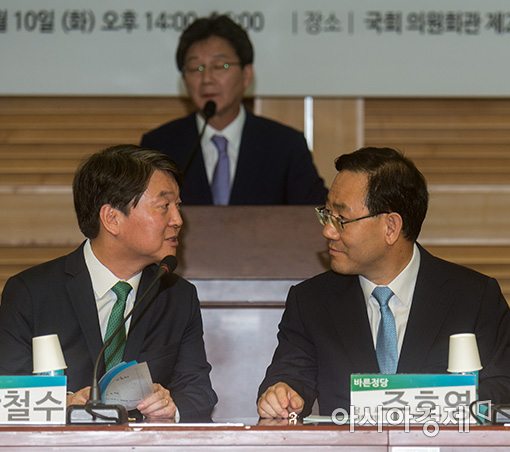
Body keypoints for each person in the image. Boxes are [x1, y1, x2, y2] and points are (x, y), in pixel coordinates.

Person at [257, 146, 510, 418]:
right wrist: (281, 393)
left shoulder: (474, 298)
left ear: (390, 227)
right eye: (326, 214)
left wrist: (420, 404)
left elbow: (503, 388)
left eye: (341, 219)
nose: (328, 231)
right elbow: (290, 377)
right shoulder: (311, 301)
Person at [0, 144, 217, 420]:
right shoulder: (31, 293)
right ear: (112, 218)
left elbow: (198, 393)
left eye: (178, 206)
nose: (178, 220)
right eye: (164, 206)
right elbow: (5, 391)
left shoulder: (176, 295)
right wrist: (61, 405)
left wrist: (170, 407)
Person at [141, 14, 327, 205]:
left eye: (220, 66)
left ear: (246, 75)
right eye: (196, 68)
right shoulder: (159, 147)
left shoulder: (286, 146)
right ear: (184, 80)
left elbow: (315, 213)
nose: (207, 79)